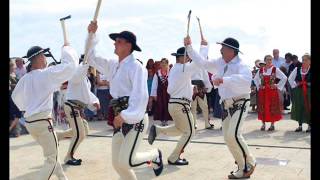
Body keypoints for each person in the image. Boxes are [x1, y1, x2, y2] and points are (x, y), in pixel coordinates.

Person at [86, 21, 163, 179]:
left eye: (119, 41)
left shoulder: (137, 67)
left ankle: (154, 155)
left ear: (129, 46)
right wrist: (91, 35)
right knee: (117, 163)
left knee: (127, 161)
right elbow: (91, 57)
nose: (115, 43)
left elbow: (140, 96)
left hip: (135, 118)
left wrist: (125, 116)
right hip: (119, 116)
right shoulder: (113, 65)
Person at [184, 36, 256, 179]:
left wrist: (224, 80)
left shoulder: (242, 65)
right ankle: (242, 167)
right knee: (228, 138)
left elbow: (246, 81)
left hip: (240, 102)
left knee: (233, 135)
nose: (221, 50)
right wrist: (189, 47)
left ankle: (250, 163)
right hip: (226, 104)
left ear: (231, 51)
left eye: (223, 47)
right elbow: (202, 63)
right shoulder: (220, 62)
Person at [11, 45, 78, 180]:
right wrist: (66, 50)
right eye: (44, 56)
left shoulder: (25, 78)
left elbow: (15, 97)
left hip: (31, 123)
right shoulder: (46, 74)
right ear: (39, 57)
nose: (45, 59)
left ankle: (62, 177)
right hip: (43, 123)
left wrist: (28, 107)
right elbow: (71, 67)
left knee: (51, 153)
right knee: (51, 160)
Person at [148, 46, 201, 166]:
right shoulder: (183, 68)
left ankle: (158, 130)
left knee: (180, 129)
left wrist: (190, 87)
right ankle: (173, 157)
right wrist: (203, 46)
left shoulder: (175, 69)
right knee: (190, 132)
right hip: (180, 105)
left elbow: (174, 88)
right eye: (187, 57)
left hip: (175, 104)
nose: (189, 59)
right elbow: (199, 62)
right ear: (182, 58)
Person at [56, 56, 100, 166]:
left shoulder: (84, 77)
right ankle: (68, 157)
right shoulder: (77, 73)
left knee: (84, 130)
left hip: (77, 107)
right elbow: (77, 76)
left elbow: (86, 94)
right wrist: (85, 62)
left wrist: (95, 101)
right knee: (79, 133)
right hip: (72, 106)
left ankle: (59, 136)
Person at [254, 55, 287, 131]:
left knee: (272, 107)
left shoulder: (275, 69)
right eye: (267, 60)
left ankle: (272, 125)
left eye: (270, 60)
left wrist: (277, 85)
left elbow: (284, 78)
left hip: (272, 92)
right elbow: (255, 79)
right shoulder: (261, 70)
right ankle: (263, 124)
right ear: (264, 60)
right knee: (262, 107)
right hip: (263, 91)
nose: (269, 61)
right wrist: (259, 85)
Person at [288, 53, 311, 132]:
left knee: (308, 107)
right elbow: (290, 79)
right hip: (299, 91)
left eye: (306, 60)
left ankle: (309, 126)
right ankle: (300, 125)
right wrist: (295, 85)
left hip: (309, 91)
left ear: (310, 61)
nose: (304, 61)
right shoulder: (297, 69)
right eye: (303, 60)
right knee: (299, 107)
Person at [150, 58, 172, 126]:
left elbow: (173, 82)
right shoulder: (157, 73)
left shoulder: (170, 72)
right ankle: (162, 120)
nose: (163, 64)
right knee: (161, 105)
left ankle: (167, 119)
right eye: (162, 63)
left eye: (165, 63)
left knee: (168, 105)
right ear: (160, 64)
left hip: (168, 92)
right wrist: (154, 95)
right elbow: (154, 84)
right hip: (160, 92)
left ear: (167, 64)